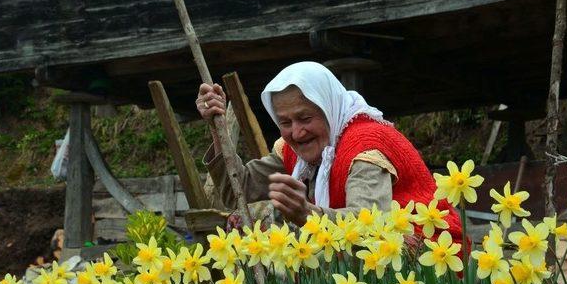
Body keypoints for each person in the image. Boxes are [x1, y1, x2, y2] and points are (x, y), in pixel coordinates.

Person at [196, 61, 462, 244]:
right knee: (247, 218)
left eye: (305, 118)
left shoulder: (366, 146)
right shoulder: (292, 150)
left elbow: (370, 226)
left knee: (280, 222)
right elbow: (237, 190)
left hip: (424, 255)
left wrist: (306, 214)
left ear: (329, 108)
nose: (297, 132)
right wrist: (217, 128)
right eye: (285, 123)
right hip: (363, 261)